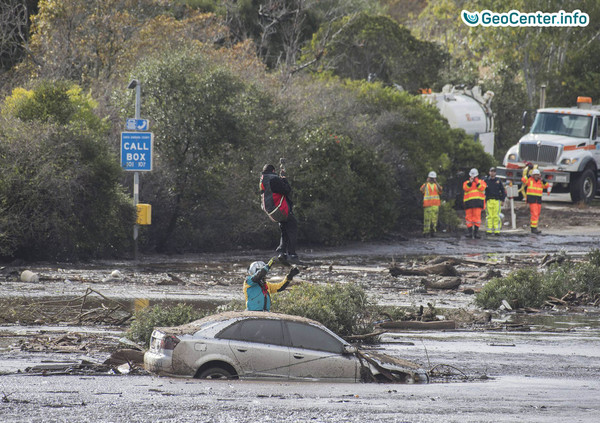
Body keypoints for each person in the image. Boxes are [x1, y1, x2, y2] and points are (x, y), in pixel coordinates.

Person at [260, 164, 299, 264]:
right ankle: (292, 254)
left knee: (284, 230)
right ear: (273, 171)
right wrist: (284, 179)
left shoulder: (263, 180)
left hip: (272, 212)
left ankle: (282, 253)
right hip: (281, 209)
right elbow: (287, 190)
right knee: (292, 226)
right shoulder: (274, 179)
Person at [521, 168, 550, 234]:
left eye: (538, 175)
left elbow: (547, 186)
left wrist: (544, 180)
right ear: (533, 175)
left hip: (538, 200)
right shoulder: (530, 180)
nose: (536, 176)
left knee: (537, 214)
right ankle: (534, 228)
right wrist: (528, 175)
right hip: (532, 200)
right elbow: (523, 179)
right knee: (535, 214)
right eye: (535, 175)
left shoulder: (540, 182)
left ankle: (534, 227)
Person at [463, 168, 487, 239]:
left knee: (477, 219)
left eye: (474, 177)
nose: (473, 178)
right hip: (468, 203)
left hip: (477, 203)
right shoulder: (466, 182)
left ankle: (476, 233)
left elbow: (482, 188)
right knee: (468, 219)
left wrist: (477, 182)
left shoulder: (481, 182)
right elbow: (465, 188)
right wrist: (470, 183)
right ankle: (470, 233)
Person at [484, 167, 506, 235]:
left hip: (496, 201)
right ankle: (489, 230)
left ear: (495, 173)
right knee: (489, 216)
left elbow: (503, 191)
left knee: (496, 216)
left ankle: (497, 231)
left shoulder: (498, 181)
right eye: (491, 171)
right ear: (489, 172)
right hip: (488, 201)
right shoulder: (486, 181)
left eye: (494, 171)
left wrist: (502, 200)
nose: (492, 173)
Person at [420, 171, 443, 237]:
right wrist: (426, 182)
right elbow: (422, 190)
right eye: (431, 178)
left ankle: (433, 231)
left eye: (433, 178)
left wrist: (436, 182)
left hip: (435, 205)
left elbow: (440, 190)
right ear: (428, 178)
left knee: (434, 219)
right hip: (427, 205)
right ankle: (426, 232)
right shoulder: (425, 185)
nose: (432, 180)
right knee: (427, 219)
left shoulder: (436, 185)